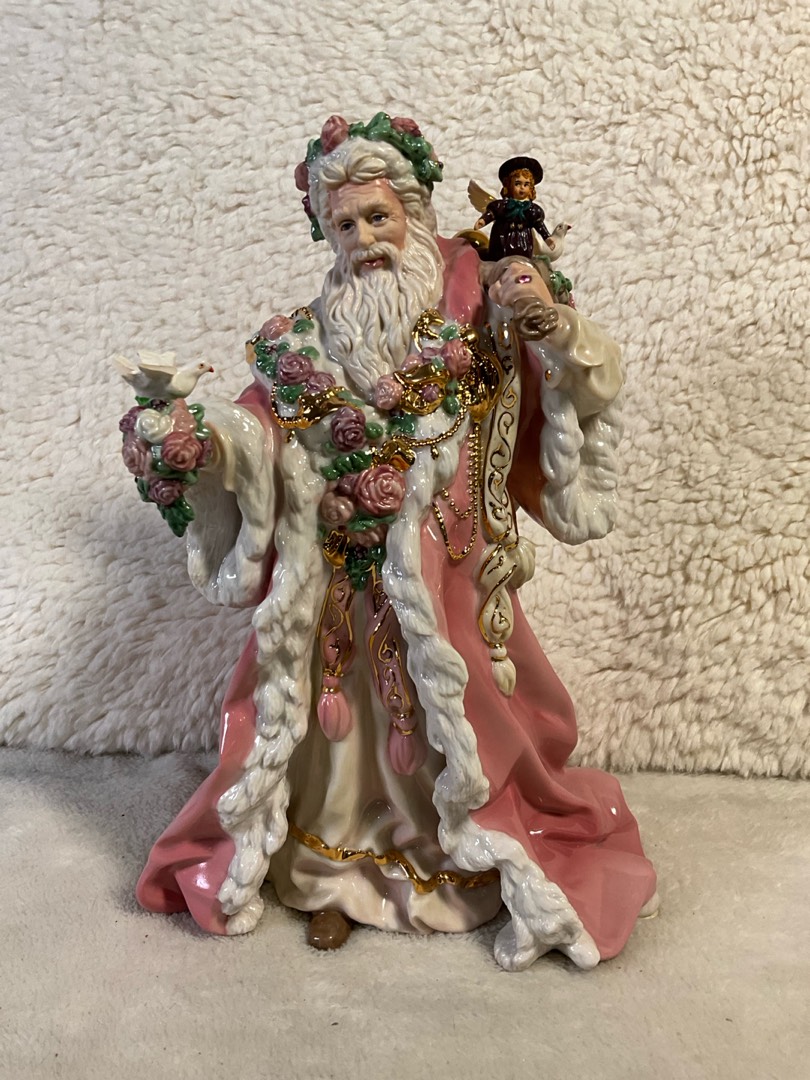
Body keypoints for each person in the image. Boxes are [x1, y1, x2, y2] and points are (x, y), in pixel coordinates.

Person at [127, 112, 657, 972]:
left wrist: (549, 326)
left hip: (448, 583)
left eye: (379, 216)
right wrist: (204, 440)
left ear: (413, 212)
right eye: (344, 224)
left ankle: (456, 861)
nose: (365, 239)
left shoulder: (477, 304)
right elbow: (258, 430)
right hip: (337, 581)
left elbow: (570, 375)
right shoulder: (305, 338)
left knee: (457, 722)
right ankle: (335, 878)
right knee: (337, 742)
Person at [474, 155, 550, 261]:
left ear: (531, 188)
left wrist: (547, 237)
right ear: (509, 185)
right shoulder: (503, 205)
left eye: (526, 184)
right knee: (499, 259)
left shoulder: (531, 209)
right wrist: (483, 220)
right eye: (517, 184)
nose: (522, 188)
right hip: (502, 241)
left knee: (522, 260)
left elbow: (539, 225)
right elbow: (492, 213)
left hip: (523, 242)